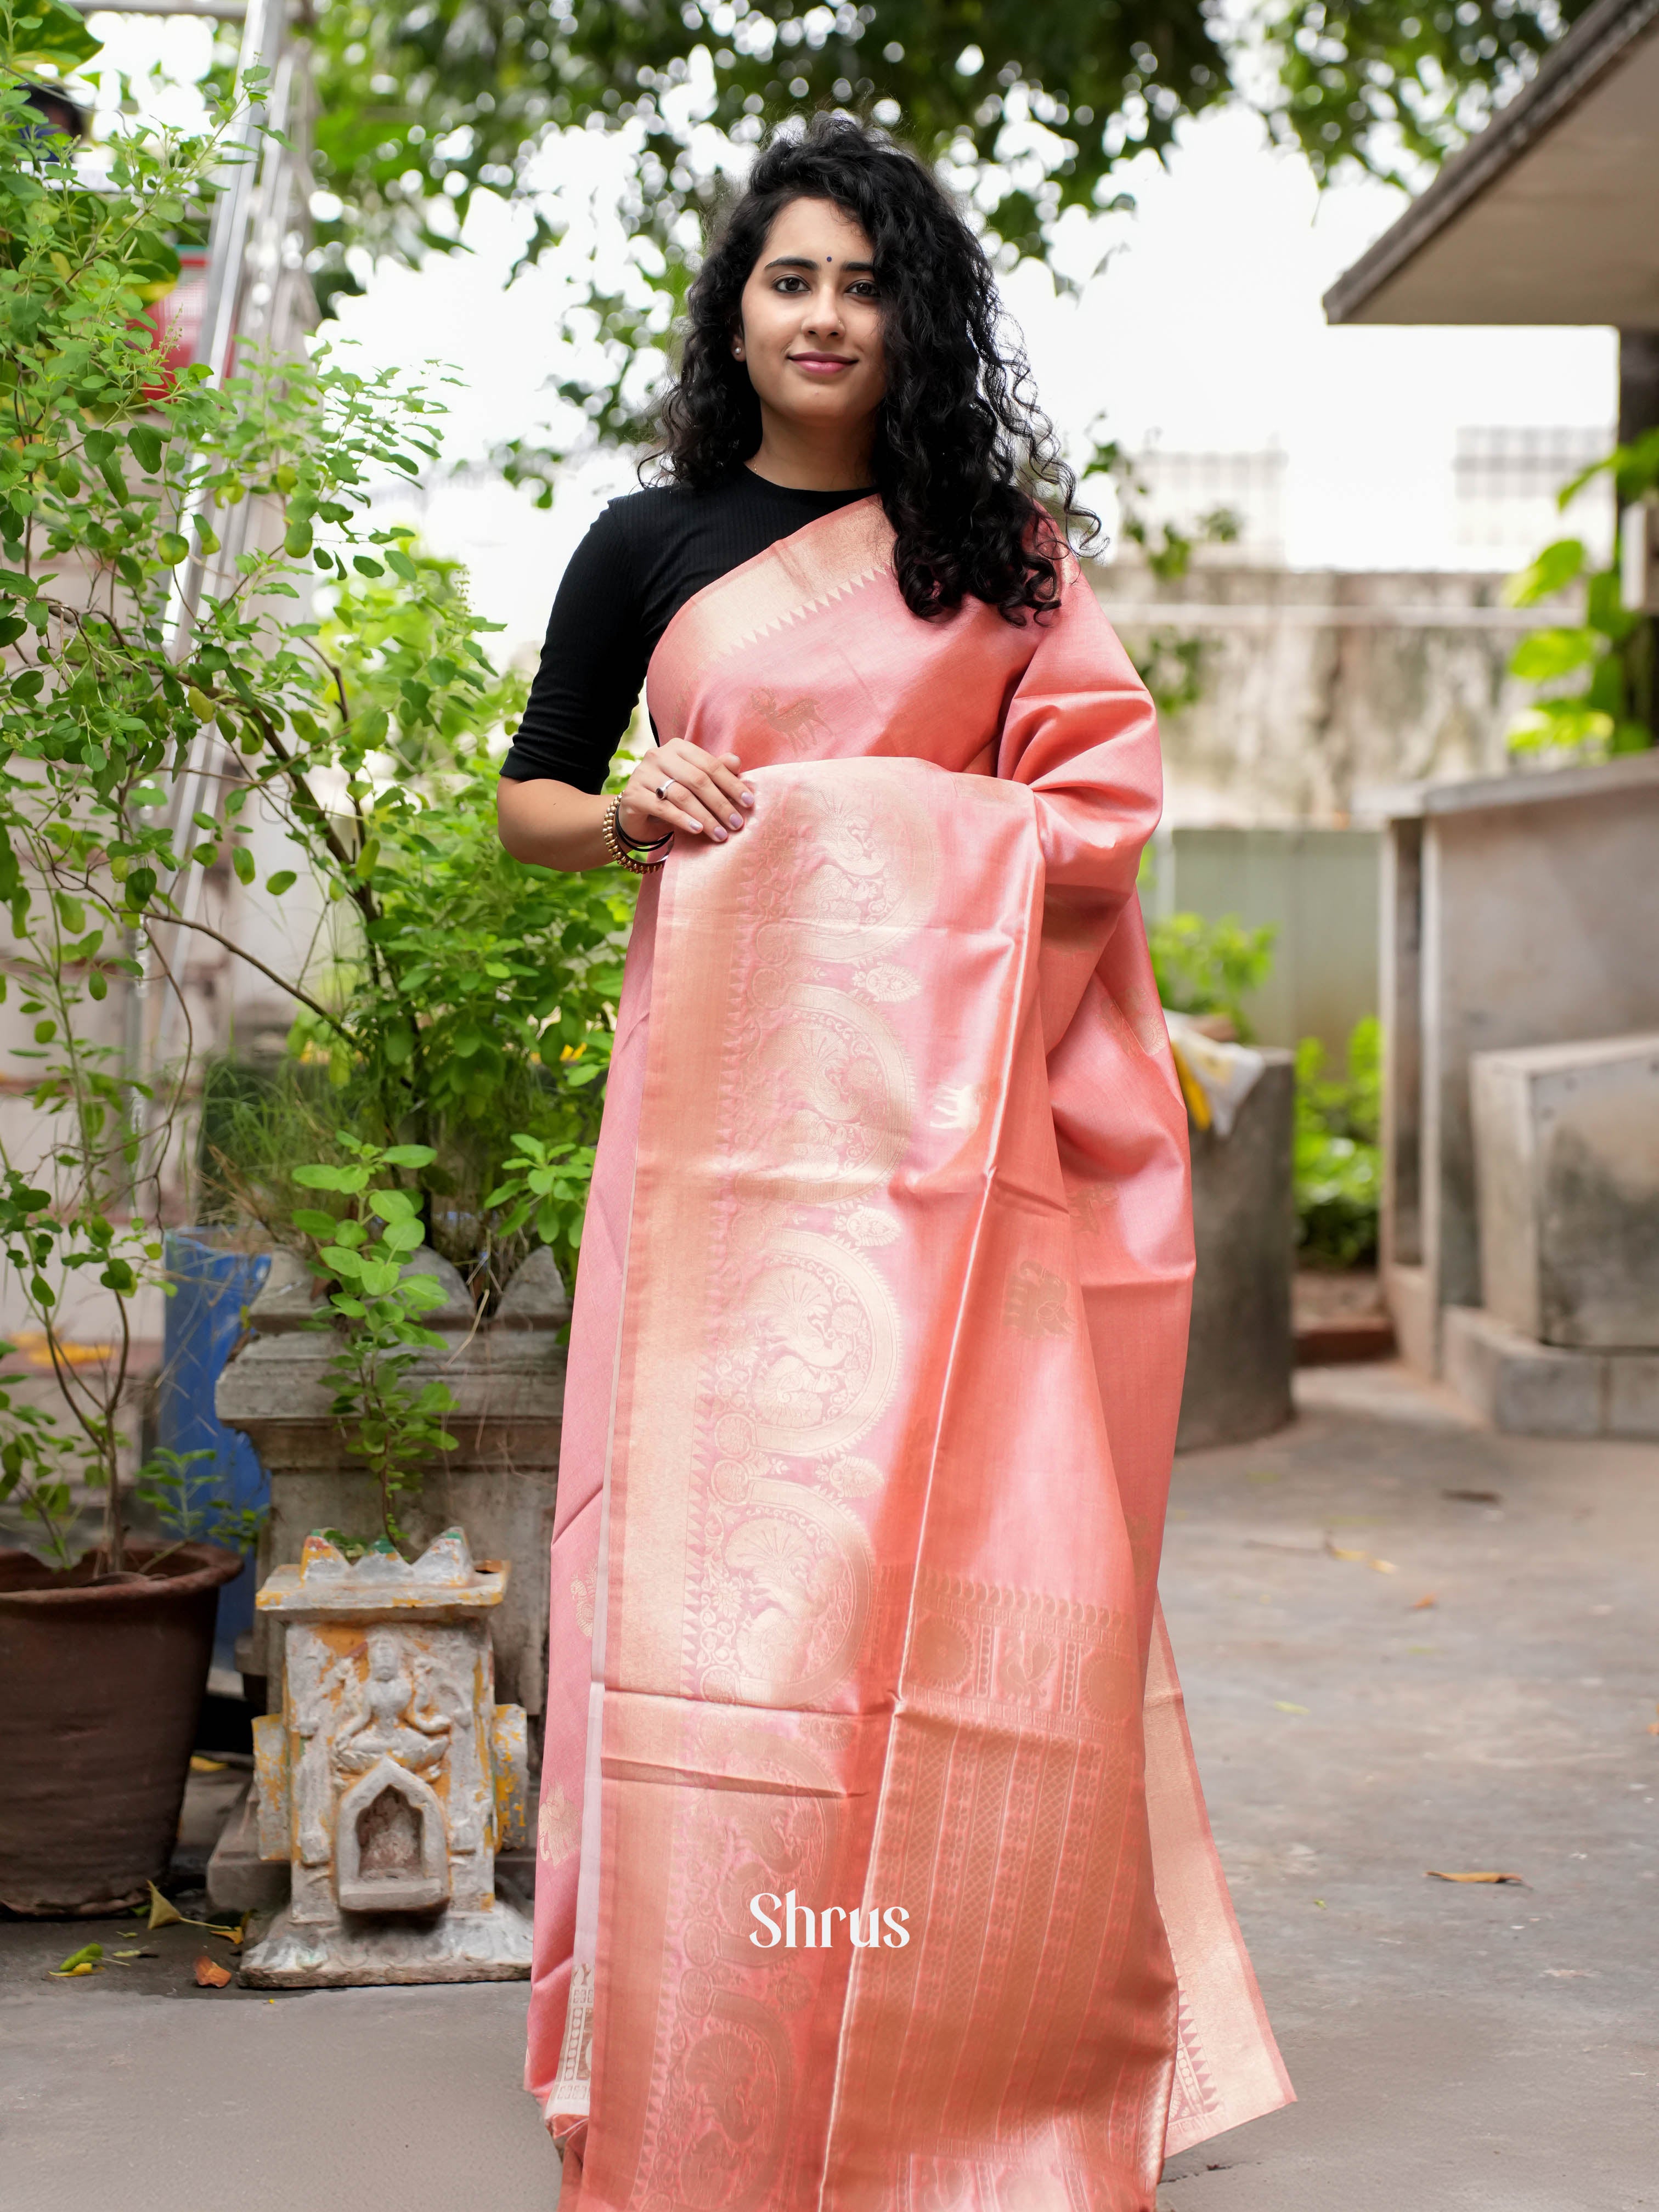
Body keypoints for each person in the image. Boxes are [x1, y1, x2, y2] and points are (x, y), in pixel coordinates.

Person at [499, 113, 1290, 2211]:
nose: (826, 314)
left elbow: (1093, 818)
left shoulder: (1002, 558)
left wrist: (858, 817)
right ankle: (696, 2006)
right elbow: (532, 804)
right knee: (711, 1589)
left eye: (863, 280)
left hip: (954, 1173)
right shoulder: (647, 545)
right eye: (789, 279)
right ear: (736, 313)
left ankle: (968, 2028)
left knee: (938, 1574)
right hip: (714, 1157)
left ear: (911, 312)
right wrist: (644, 802)